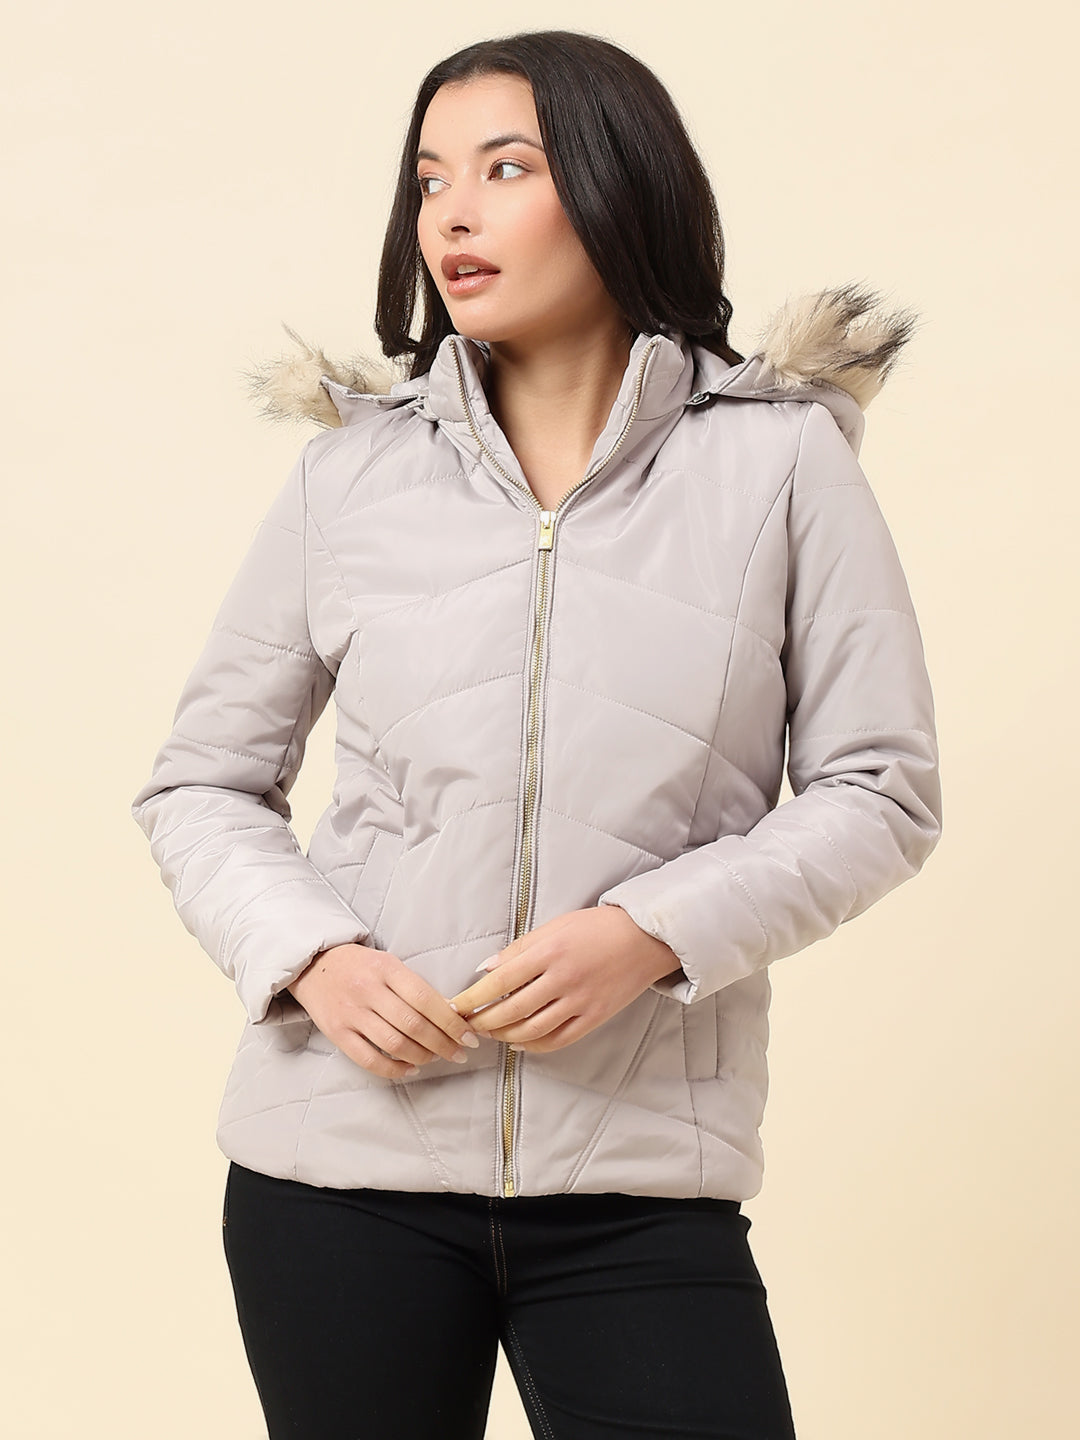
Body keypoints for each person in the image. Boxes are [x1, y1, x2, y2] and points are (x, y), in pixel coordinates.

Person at [131, 28, 942, 1440]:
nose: (452, 212)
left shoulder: (782, 461)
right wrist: (311, 957)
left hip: (640, 1176)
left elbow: (880, 789)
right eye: (430, 178)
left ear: (624, 187)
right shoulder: (350, 476)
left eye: (506, 168)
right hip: (338, 1172)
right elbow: (202, 782)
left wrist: (651, 932)